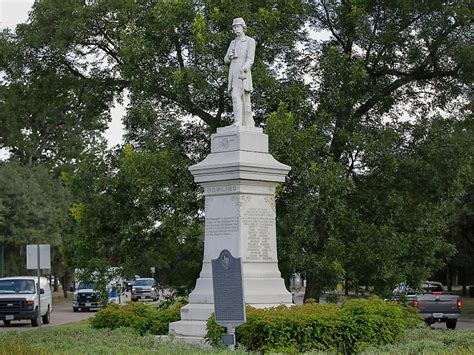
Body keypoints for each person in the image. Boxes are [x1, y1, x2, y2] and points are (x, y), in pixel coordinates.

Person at [224, 17, 256, 127]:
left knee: (237, 96)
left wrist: (245, 68)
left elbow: (250, 59)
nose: (236, 30)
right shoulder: (233, 43)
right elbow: (226, 59)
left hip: (243, 72)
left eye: (238, 27)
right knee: (236, 96)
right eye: (234, 28)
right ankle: (239, 122)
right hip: (233, 71)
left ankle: (239, 122)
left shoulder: (250, 41)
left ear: (243, 27)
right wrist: (230, 56)